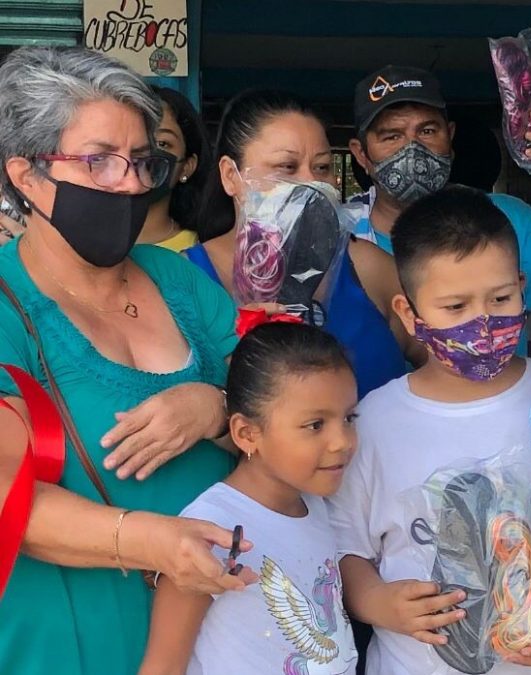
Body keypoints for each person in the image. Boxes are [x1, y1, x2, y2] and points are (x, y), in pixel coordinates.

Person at [0, 46, 255, 674]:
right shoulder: (8, 308)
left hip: (230, 636)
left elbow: (275, 413)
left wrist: (214, 408)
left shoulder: (181, 280)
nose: (133, 184)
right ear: (27, 177)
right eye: (99, 162)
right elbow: (6, 494)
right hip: (73, 643)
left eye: (144, 162)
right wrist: (153, 541)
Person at [328, 186, 531, 675]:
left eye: (500, 298)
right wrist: (380, 603)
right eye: (454, 308)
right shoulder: (371, 423)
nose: (481, 322)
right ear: (408, 314)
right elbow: (346, 550)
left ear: (523, 286)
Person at [140, 318, 360, 674]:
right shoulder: (212, 530)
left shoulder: (315, 505)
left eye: (350, 417)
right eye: (315, 425)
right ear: (246, 433)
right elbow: (163, 666)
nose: (343, 441)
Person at [188, 89, 423, 399]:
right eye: (287, 167)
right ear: (231, 176)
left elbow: (447, 363)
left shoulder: (367, 268)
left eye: (322, 167)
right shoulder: (184, 279)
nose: (310, 183)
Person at [347, 65, 531, 323]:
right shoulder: (340, 234)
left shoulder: (505, 219)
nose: (412, 149)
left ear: (450, 136)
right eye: (392, 137)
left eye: (428, 131)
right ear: (361, 154)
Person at [138, 86, 208, 252]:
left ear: (187, 167)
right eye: (138, 138)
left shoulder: (202, 255)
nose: (146, 153)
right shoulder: (83, 244)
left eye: (162, 143)